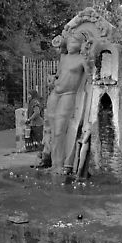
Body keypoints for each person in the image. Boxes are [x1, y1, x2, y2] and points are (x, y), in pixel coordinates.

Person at [44, 31, 93, 173]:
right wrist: (53, 79)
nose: (71, 45)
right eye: (69, 41)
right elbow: (59, 74)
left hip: (68, 95)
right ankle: (55, 164)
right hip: (55, 93)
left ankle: (60, 165)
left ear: (80, 44)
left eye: (74, 42)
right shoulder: (64, 57)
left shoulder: (81, 59)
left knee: (59, 130)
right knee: (54, 131)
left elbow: (90, 76)